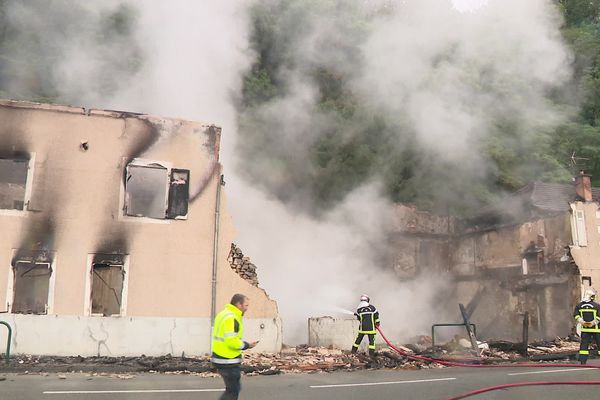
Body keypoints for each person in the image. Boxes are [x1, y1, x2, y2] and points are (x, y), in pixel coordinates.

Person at [211, 294, 258, 400]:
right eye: (246, 305)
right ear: (238, 304)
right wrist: (247, 345)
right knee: (233, 391)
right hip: (227, 361)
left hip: (220, 357)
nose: (247, 308)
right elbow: (231, 341)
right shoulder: (232, 318)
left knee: (233, 389)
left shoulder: (223, 314)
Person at [573, 288, 600, 365]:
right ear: (591, 296)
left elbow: (576, 315)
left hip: (585, 329)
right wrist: (594, 323)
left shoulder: (579, 306)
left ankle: (583, 361)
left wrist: (582, 322)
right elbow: (599, 316)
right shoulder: (596, 306)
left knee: (584, 345)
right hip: (596, 329)